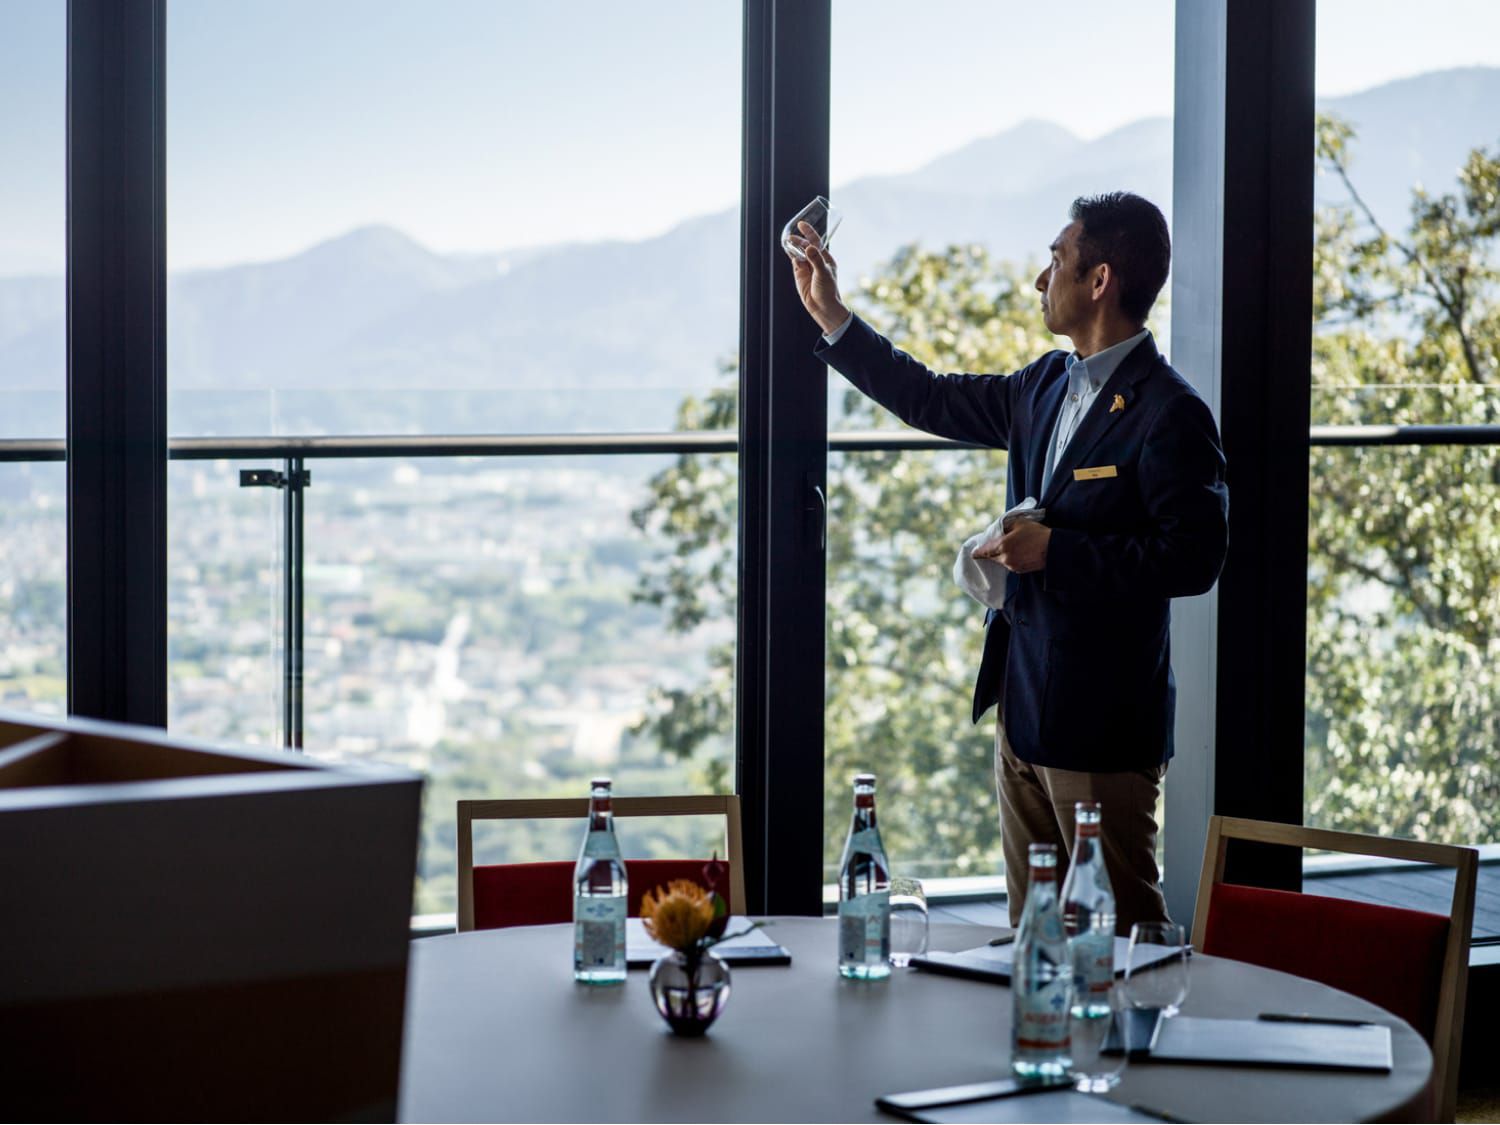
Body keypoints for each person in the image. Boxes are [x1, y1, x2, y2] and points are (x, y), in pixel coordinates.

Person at [787, 192, 1228, 933]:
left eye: (1056, 259)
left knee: (1121, 935)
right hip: (1022, 711)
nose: (1039, 279)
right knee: (1036, 934)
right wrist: (834, 317)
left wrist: (1057, 550)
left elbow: (1195, 558)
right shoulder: (1043, 384)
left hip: (1104, 723)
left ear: (1099, 280)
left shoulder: (1170, 411)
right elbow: (928, 397)